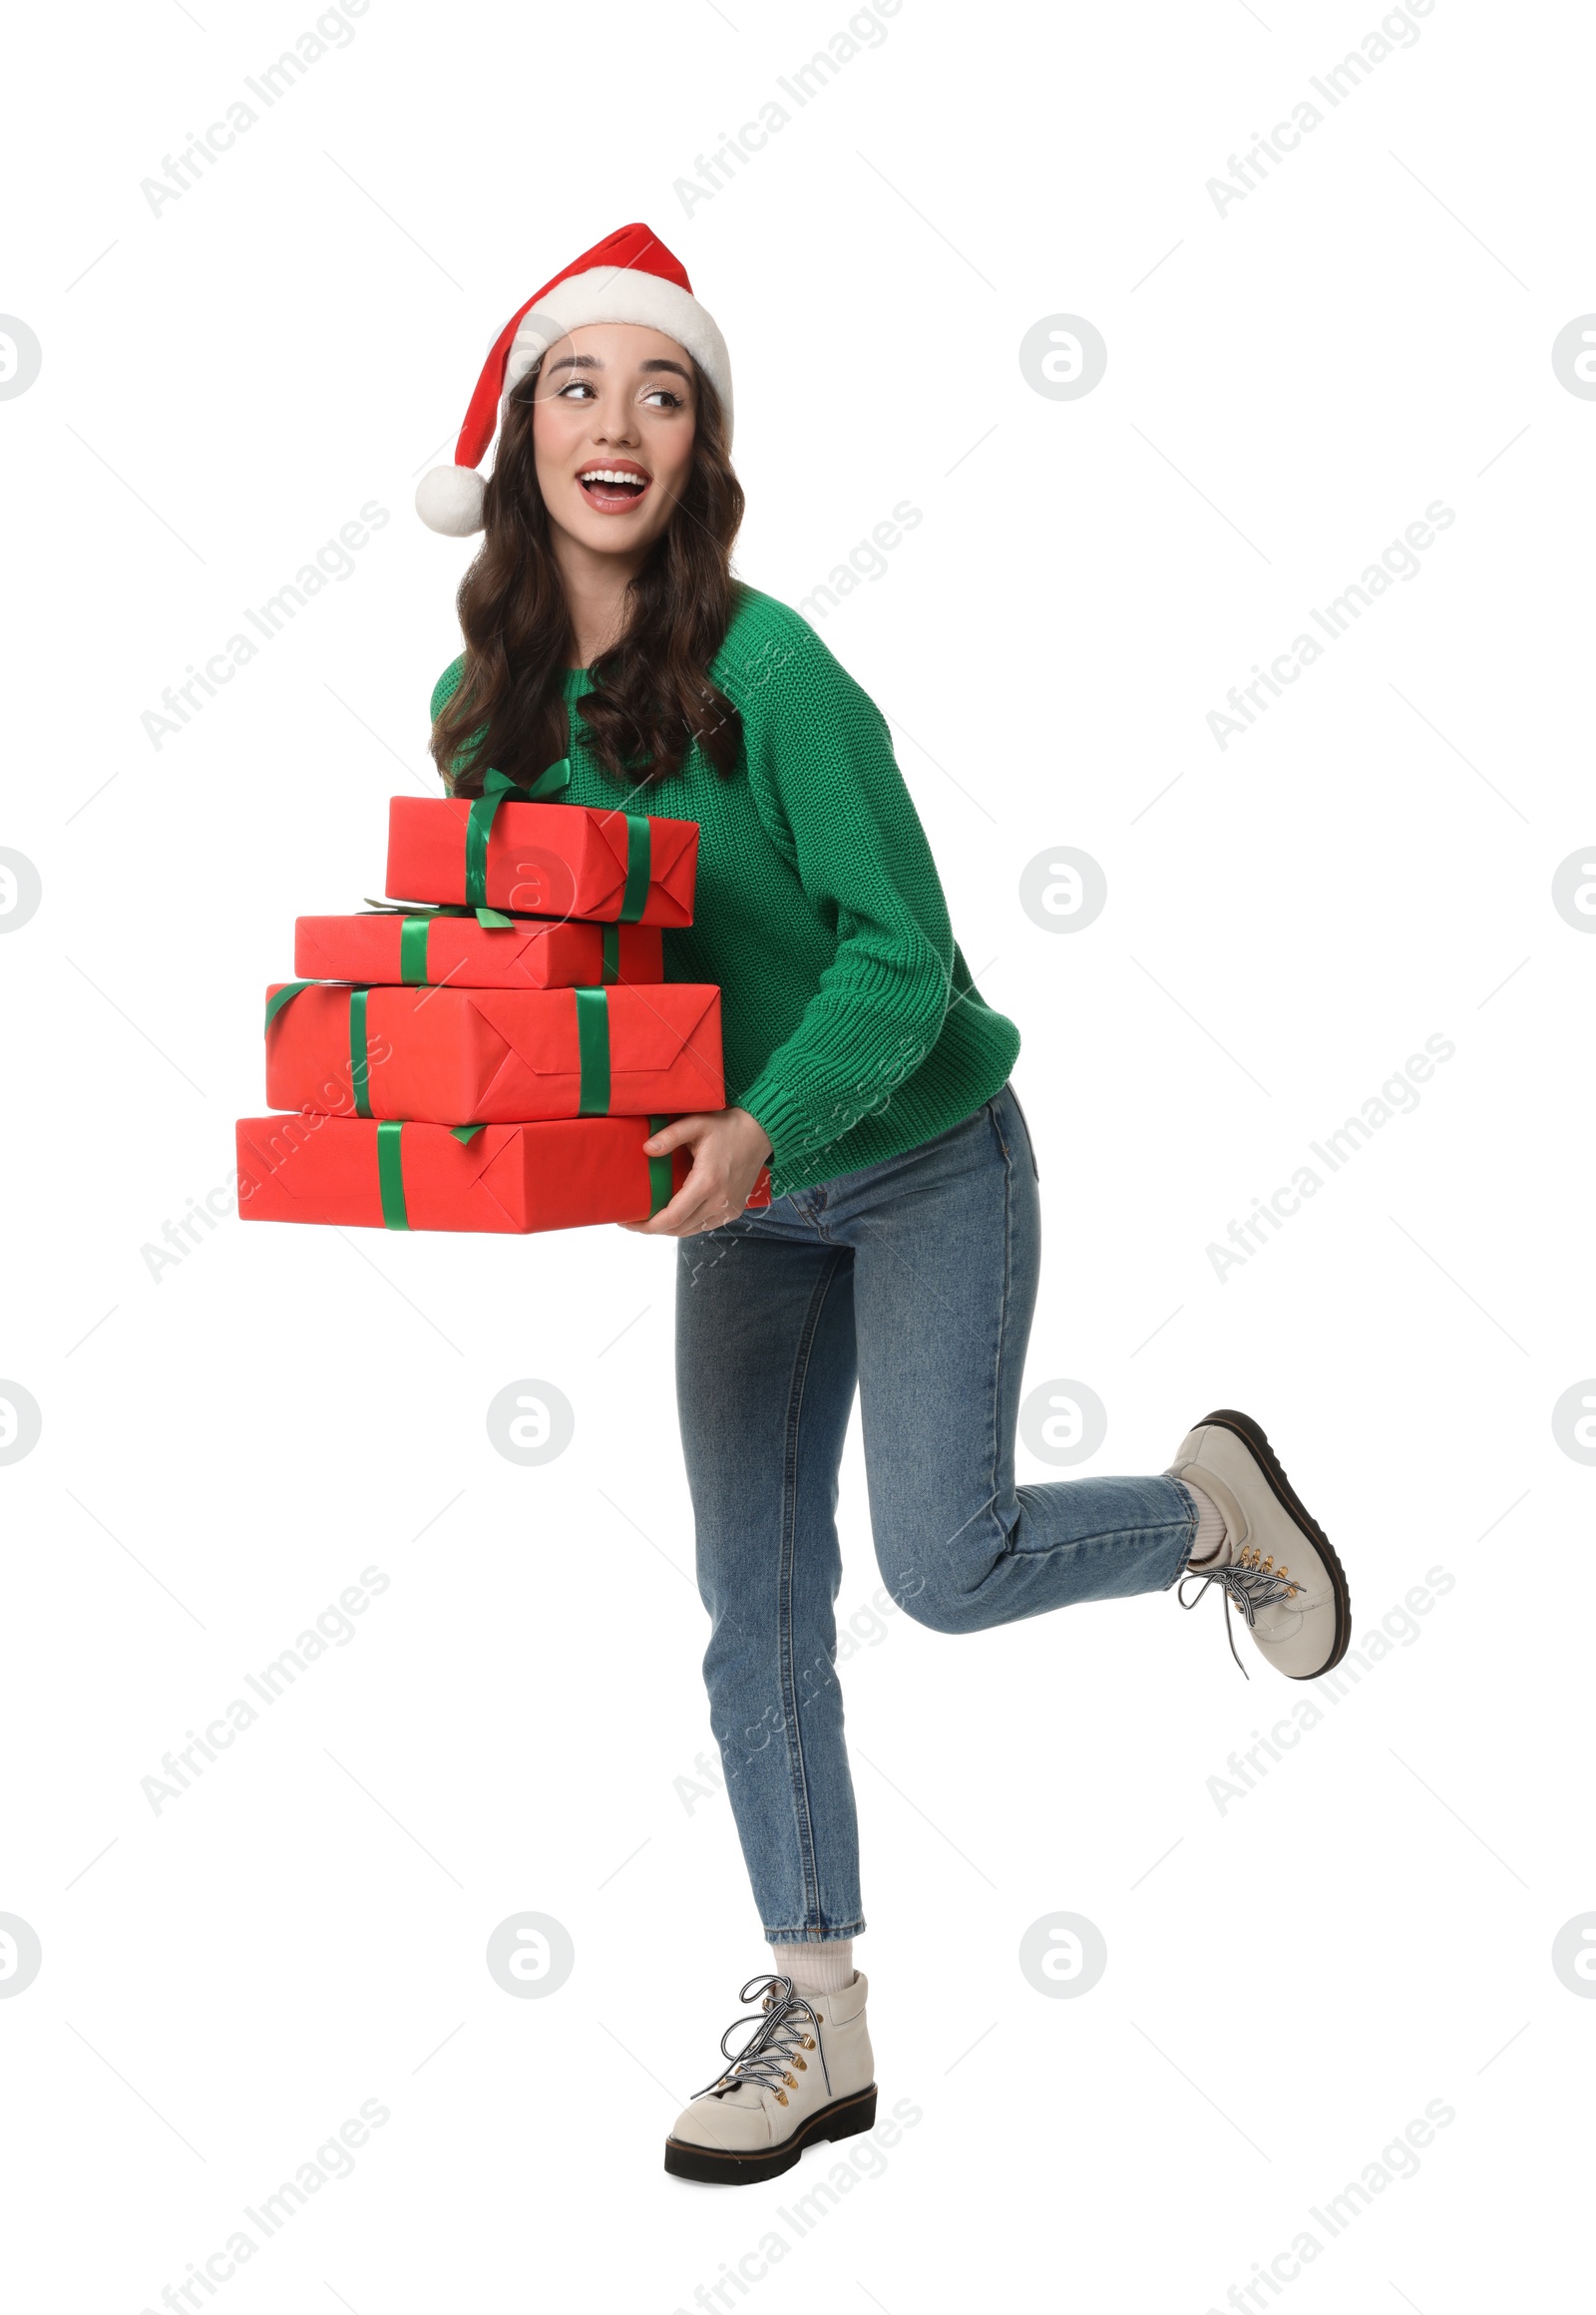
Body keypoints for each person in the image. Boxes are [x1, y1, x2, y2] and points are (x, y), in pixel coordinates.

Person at [415, 222, 1353, 2188]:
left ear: (698, 449)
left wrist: (760, 1122)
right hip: (730, 1211)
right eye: (576, 386)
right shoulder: (482, 710)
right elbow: (533, 963)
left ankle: (1207, 1510)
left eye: (659, 391)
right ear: (517, 443)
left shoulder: (769, 673)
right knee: (744, 1608)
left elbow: (899, 959)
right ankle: (811, 2010)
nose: (618, 420)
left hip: (915, 1156)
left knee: (944, 1563)